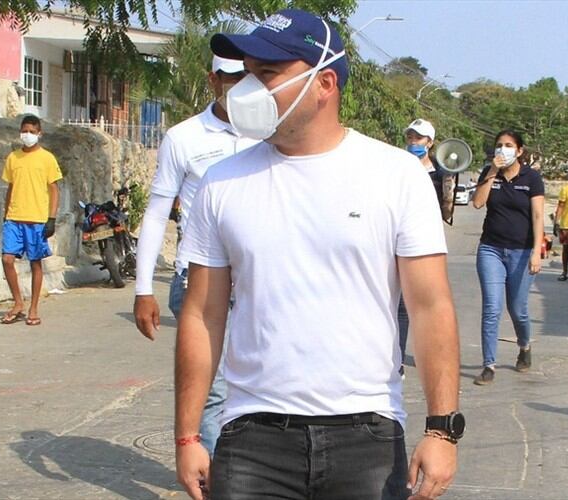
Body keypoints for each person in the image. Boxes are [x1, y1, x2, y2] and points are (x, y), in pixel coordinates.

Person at [174, 10, 461, 500]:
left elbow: (431, 306)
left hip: (367, 432)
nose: (245, 89)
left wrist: (441, 431)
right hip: (250, 436)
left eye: (266, 74)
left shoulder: (395, 175)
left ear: (324, 82)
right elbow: (203, 314)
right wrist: (187, 435)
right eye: (246, 73)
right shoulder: (222, 183)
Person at [133, 55, 256, 455]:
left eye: (247, 75)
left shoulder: (270, 130)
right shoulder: (184, 137)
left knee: (259, 390)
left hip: (260, 277)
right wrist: (143, 289)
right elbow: (155, 214)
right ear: (214, 79)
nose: (239, 83)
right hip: (199, 277)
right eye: (231, 77)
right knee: (215, 391)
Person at [472, 130, 545, 385]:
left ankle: (524, 346)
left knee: (517, 309)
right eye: (499, 146)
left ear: (520, 151)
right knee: (492, 307)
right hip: (491, 249)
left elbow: (537, 216)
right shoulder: (489, 173)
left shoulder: (532, 178)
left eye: (509, 146)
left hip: (522, 252)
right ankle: (488, 364)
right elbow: (478, 203)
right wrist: (492, 171)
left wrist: (537, 251)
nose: (503, 150)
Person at [398, 118, 456, 376]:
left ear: (430, 143)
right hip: (396, 241)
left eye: (418, 139)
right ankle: (396, 358)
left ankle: (429, 357)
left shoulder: (440, 174)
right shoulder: (397, 168)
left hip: (425, 245)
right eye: (410, 137)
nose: (413, 142)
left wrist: (448, 184)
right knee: (397, 304)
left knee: (423, 303)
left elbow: (447, 210)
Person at [0, 115, 62, 327]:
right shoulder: (12, 158)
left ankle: (33, 308)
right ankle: (18, 303)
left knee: (35, 263)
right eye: (24, 131)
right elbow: (10, 188)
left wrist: (51, 218)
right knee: (7, 259)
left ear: (39, 134)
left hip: (37, 220)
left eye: (32, 132)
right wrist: (6, 213)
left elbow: (54, 190)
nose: (27, 135)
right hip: (14, 219)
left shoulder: (47, 159)